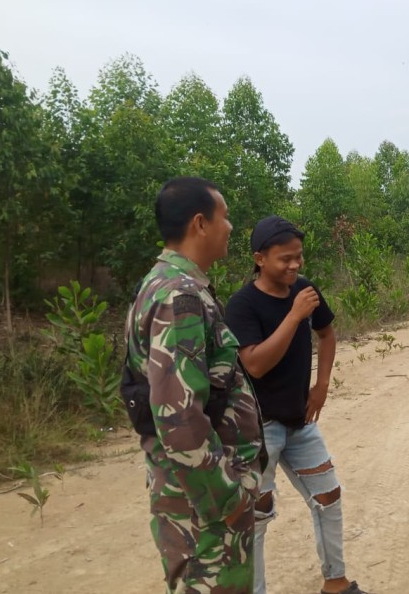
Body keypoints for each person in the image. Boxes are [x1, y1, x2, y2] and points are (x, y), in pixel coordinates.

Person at [124, 176, 263, 594]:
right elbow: (180, 419)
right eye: (225, 217)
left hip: (191, 494)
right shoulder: (179, 296)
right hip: (204, 504)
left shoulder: (161, 284)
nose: (231, 227)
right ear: (200, 224)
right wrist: (229, 497)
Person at [225, 215, 368, 594]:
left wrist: (321, 385)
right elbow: (255, 363)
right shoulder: (242, 305)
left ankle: (335, 582)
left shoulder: (304, 289)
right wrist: (293, 316)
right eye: (284, 259)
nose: (294, 266)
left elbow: (327, 332)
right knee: (256, 516)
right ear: (259, 258)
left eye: (298, 257)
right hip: (258, 428)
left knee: (328, 496)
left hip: (300, 421)